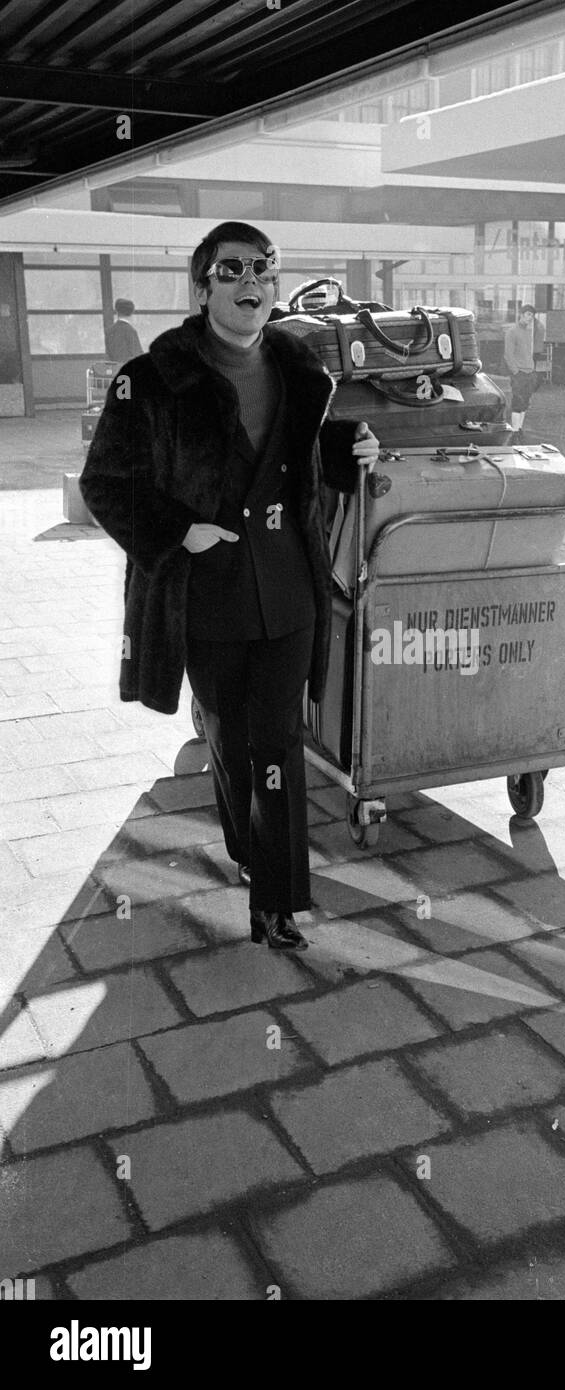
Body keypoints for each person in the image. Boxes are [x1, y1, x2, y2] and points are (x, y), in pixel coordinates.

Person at [81, 221, 379, 951]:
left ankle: (278, 903)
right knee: (229, 737)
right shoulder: (153, 380)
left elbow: (299, 455)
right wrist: (177, 532)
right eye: (234, 269)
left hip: (288, 590)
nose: (252, 283)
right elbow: (105, 483)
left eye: (264, 270)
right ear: (203, 285)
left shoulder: (298, 367)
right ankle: (248, 849)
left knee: (275, 740)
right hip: (207, 593)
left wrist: (351, 451)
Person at [504, 304, 544, 439]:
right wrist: (515, 371)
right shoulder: (512, 332)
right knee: (517, 402)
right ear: (521, 314)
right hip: (519, 373)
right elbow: (508, 354)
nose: (530, 318)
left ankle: (519, 429)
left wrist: (531, 368)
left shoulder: (528, 332)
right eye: (528, 315)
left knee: (525, 402)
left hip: (529, 372)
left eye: (532, 316)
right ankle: (514, 431)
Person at [104, 299, 143, 364]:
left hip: (114, 369)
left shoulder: (109, 331)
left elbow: (108, 355)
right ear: (131, 312)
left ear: (117, 311)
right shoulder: (130, 330)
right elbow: (137, 354)